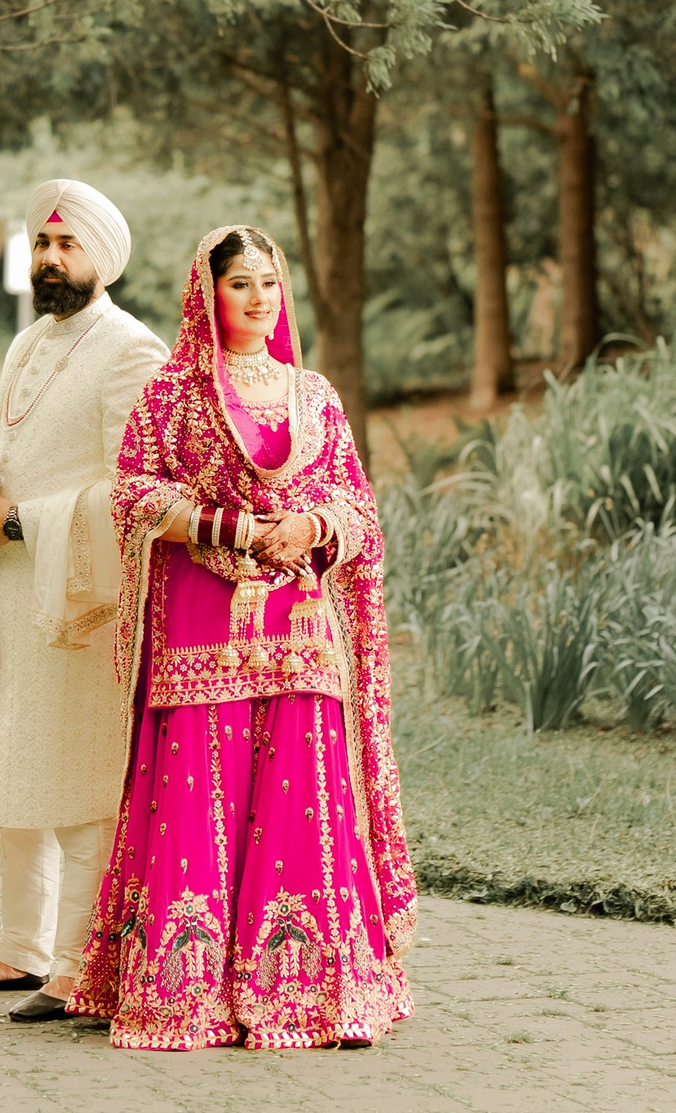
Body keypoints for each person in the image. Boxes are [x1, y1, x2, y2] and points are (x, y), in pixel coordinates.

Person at [65, 222, 415, 1050]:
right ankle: (185, 993)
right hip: (202, 627)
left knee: (305, 796)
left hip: (299, 628)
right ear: (207, 295)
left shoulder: (316, 395)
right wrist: (231, 528)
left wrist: (311, 527)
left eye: (269, 282)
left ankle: (315, 991)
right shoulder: (174, 395)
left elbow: (359, 509)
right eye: (240, 283)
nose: (260, 298)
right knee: (201, 795)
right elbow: (132, 493)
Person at [0, 178, 167, 1022]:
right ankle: (19, 947)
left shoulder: (132, 351)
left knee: (78, 771)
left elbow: (136, 494)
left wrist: (20, 519)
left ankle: (77, 965)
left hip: (81, 597)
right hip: (10, 588)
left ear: (104, 257)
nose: (50, 259)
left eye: (67, 245)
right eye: (41, 244)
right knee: (14, 755)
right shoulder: (28, 342)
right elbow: (19, 461)